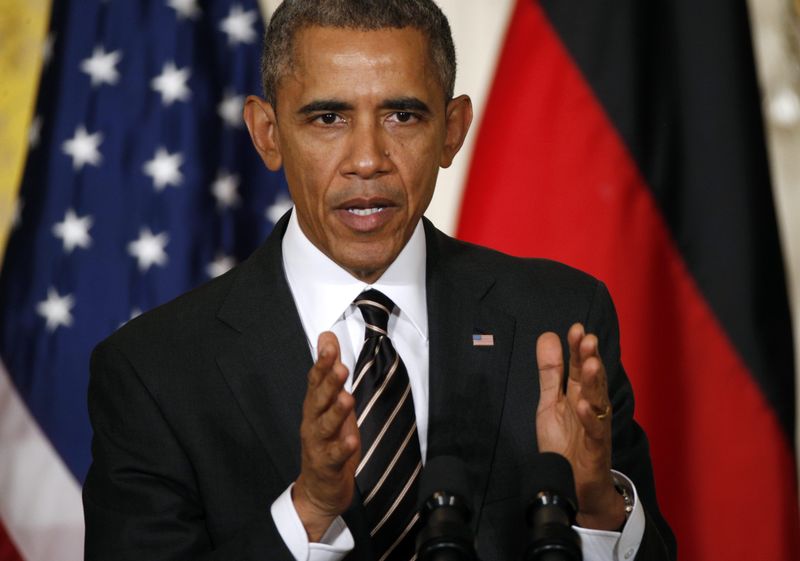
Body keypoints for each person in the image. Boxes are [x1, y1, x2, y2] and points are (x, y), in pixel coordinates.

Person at [83, 1, 675, 560]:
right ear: (267, 132)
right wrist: (309, 510)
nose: (367, 158)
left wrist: (598, 507)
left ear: (452, 129)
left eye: (402, 115)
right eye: (329, 117)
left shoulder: (560, 320)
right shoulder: (154, 371)